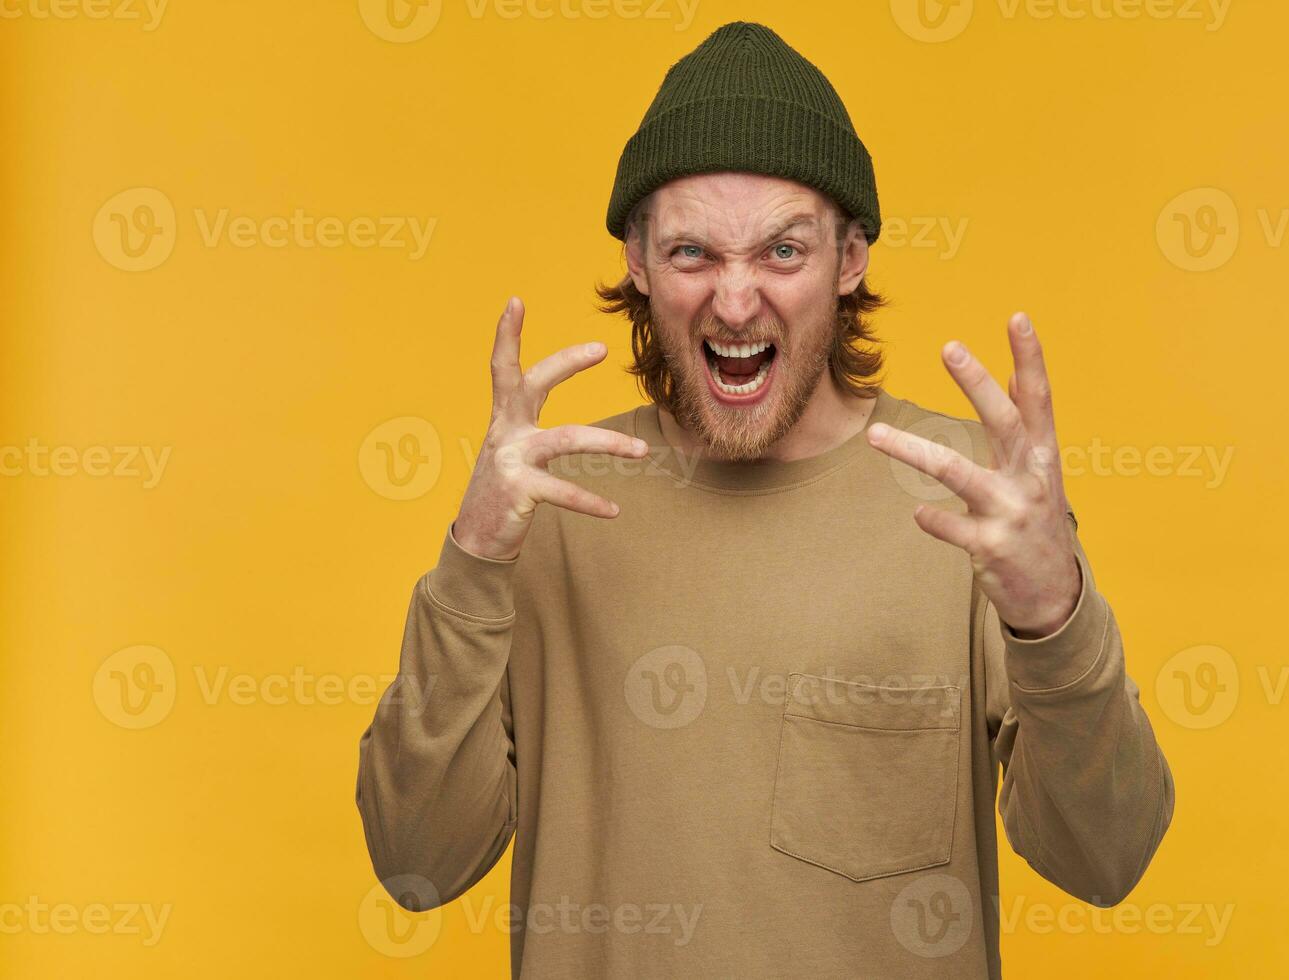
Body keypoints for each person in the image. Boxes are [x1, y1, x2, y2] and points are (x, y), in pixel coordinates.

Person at [356, 20, 1174, 979]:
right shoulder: (543, 505)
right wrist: (473, 560)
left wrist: (1056, 616)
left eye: (783, 252)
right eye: (693, 253)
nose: (735, 304)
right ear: (636, 260)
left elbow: (1106, 860)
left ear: (851, 259)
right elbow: (415, 868)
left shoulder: (970, 501)